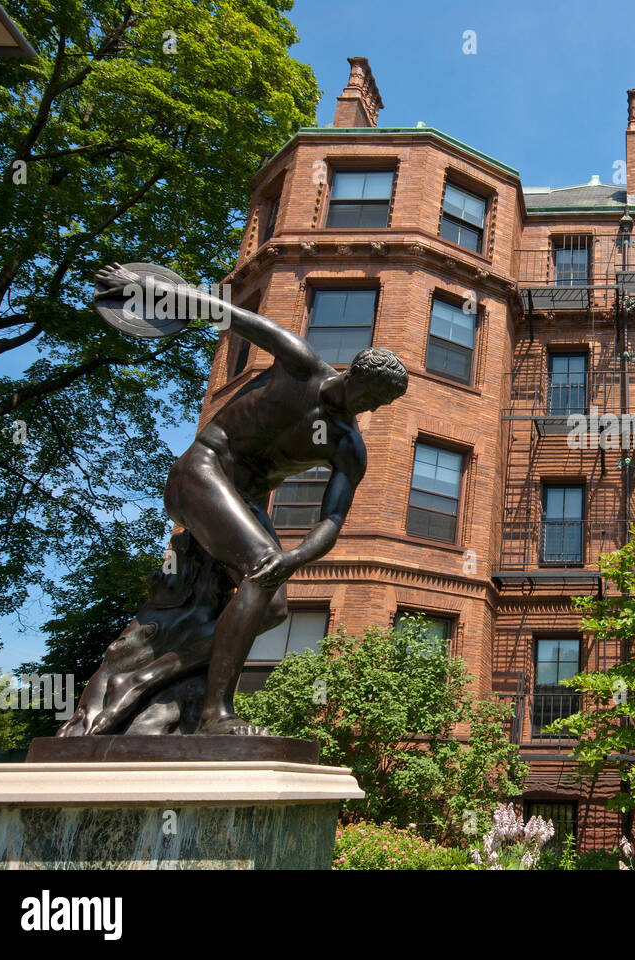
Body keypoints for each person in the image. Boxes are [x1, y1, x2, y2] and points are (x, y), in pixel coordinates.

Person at [91, 264, 409, 734]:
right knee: (261, 565)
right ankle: (215, 714)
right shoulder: (300, 363)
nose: (375, 408)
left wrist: (296, 556)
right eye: (377, 397)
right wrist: (150, 290)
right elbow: (225, 312)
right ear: (359, 374)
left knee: (276, 606)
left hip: (244, 501)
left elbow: (333, 519)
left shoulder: (346, 445)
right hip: (201, 472)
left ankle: (145, 678)